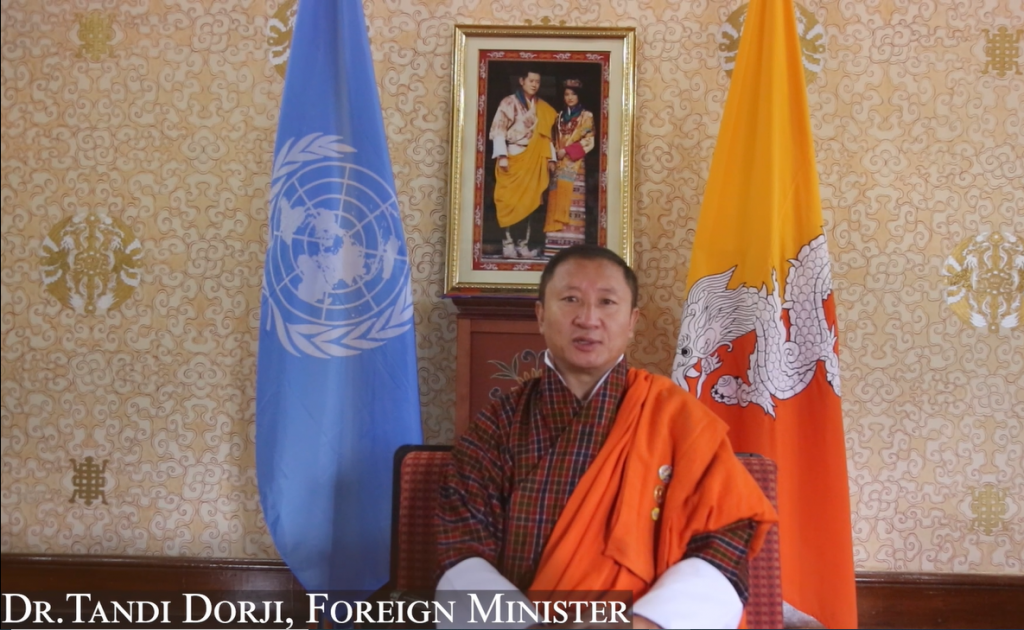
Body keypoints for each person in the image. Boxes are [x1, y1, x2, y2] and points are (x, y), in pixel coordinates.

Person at [436, 245, 778, 629]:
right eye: (570, 299)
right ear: (541, 315)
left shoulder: (677, 419)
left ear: (632, 322)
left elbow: (725, 540)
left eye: (607, 302)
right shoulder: (496, 426)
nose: (588, 319)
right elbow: (462, 549)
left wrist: (643, 623)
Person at [489, 68, 557, 259]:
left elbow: (546, 136)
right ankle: (508, 245)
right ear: (522, 81)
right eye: (531, 81)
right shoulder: (508, 102)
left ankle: (523, 245)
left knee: (529, 203)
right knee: (509, 203)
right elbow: (499, 129)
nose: (534, 85)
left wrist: (551, 158)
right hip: (513, 154)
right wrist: (502, 155)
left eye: (537, 81)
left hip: (535, 158)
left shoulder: (542, 107)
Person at [544, 79, 595, 258]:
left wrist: (566, 151)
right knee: (556, 200)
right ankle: (554, 245)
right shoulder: (558, 117)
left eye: (573, 94)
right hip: (559, 164)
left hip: (575, 164)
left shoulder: (586, 115)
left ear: (579, 96)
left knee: (573, 204)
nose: (570, 97)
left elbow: (589, 140)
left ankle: (573, 247)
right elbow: (551, 139)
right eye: (567, 94)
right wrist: (553, 156)